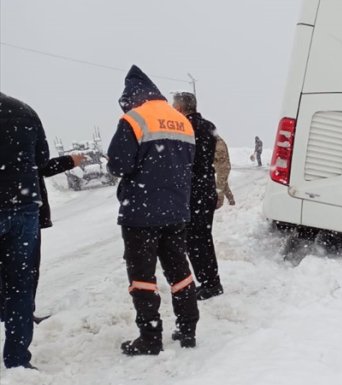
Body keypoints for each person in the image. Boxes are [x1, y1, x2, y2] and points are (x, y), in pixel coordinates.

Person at [107, 66, 200, 355]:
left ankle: (150, 337)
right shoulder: (182, 121)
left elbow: (117, 165)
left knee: (142, 276)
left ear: (131, 96)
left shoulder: (134, 119)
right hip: (175, 210)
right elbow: (188, 164)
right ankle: (187, 329)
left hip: (141, 213)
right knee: (179, 269)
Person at [0, 153, 85, 325]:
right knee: (25, 269)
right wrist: (69, 161)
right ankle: (21, 317)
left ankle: (11, 315)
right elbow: (42, 163)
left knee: (13, 270)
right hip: (24, 209)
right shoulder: (23, 128)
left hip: (17, 207)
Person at [0, 92, 49, 369]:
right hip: (24, 206)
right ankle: (18, 359)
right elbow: (42, 159)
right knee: (20, 286)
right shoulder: (24, 110)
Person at [172, 92, 224, 301]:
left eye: (174, 106)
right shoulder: (209, 126)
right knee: (203, 238)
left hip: (192, 192)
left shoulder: (183, 127)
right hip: (206, 189)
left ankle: (209, 283)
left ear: (181, 109)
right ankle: (211, 280)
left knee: (194, 241)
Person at [214, 136, 235, 209]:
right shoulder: (217, 142)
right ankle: (231, 200)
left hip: (223, 167)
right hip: (222, 167)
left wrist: (212, 155)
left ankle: (219, 203)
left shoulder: (219, 142)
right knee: (224, 184)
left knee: (220, 184)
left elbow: (220, 154)